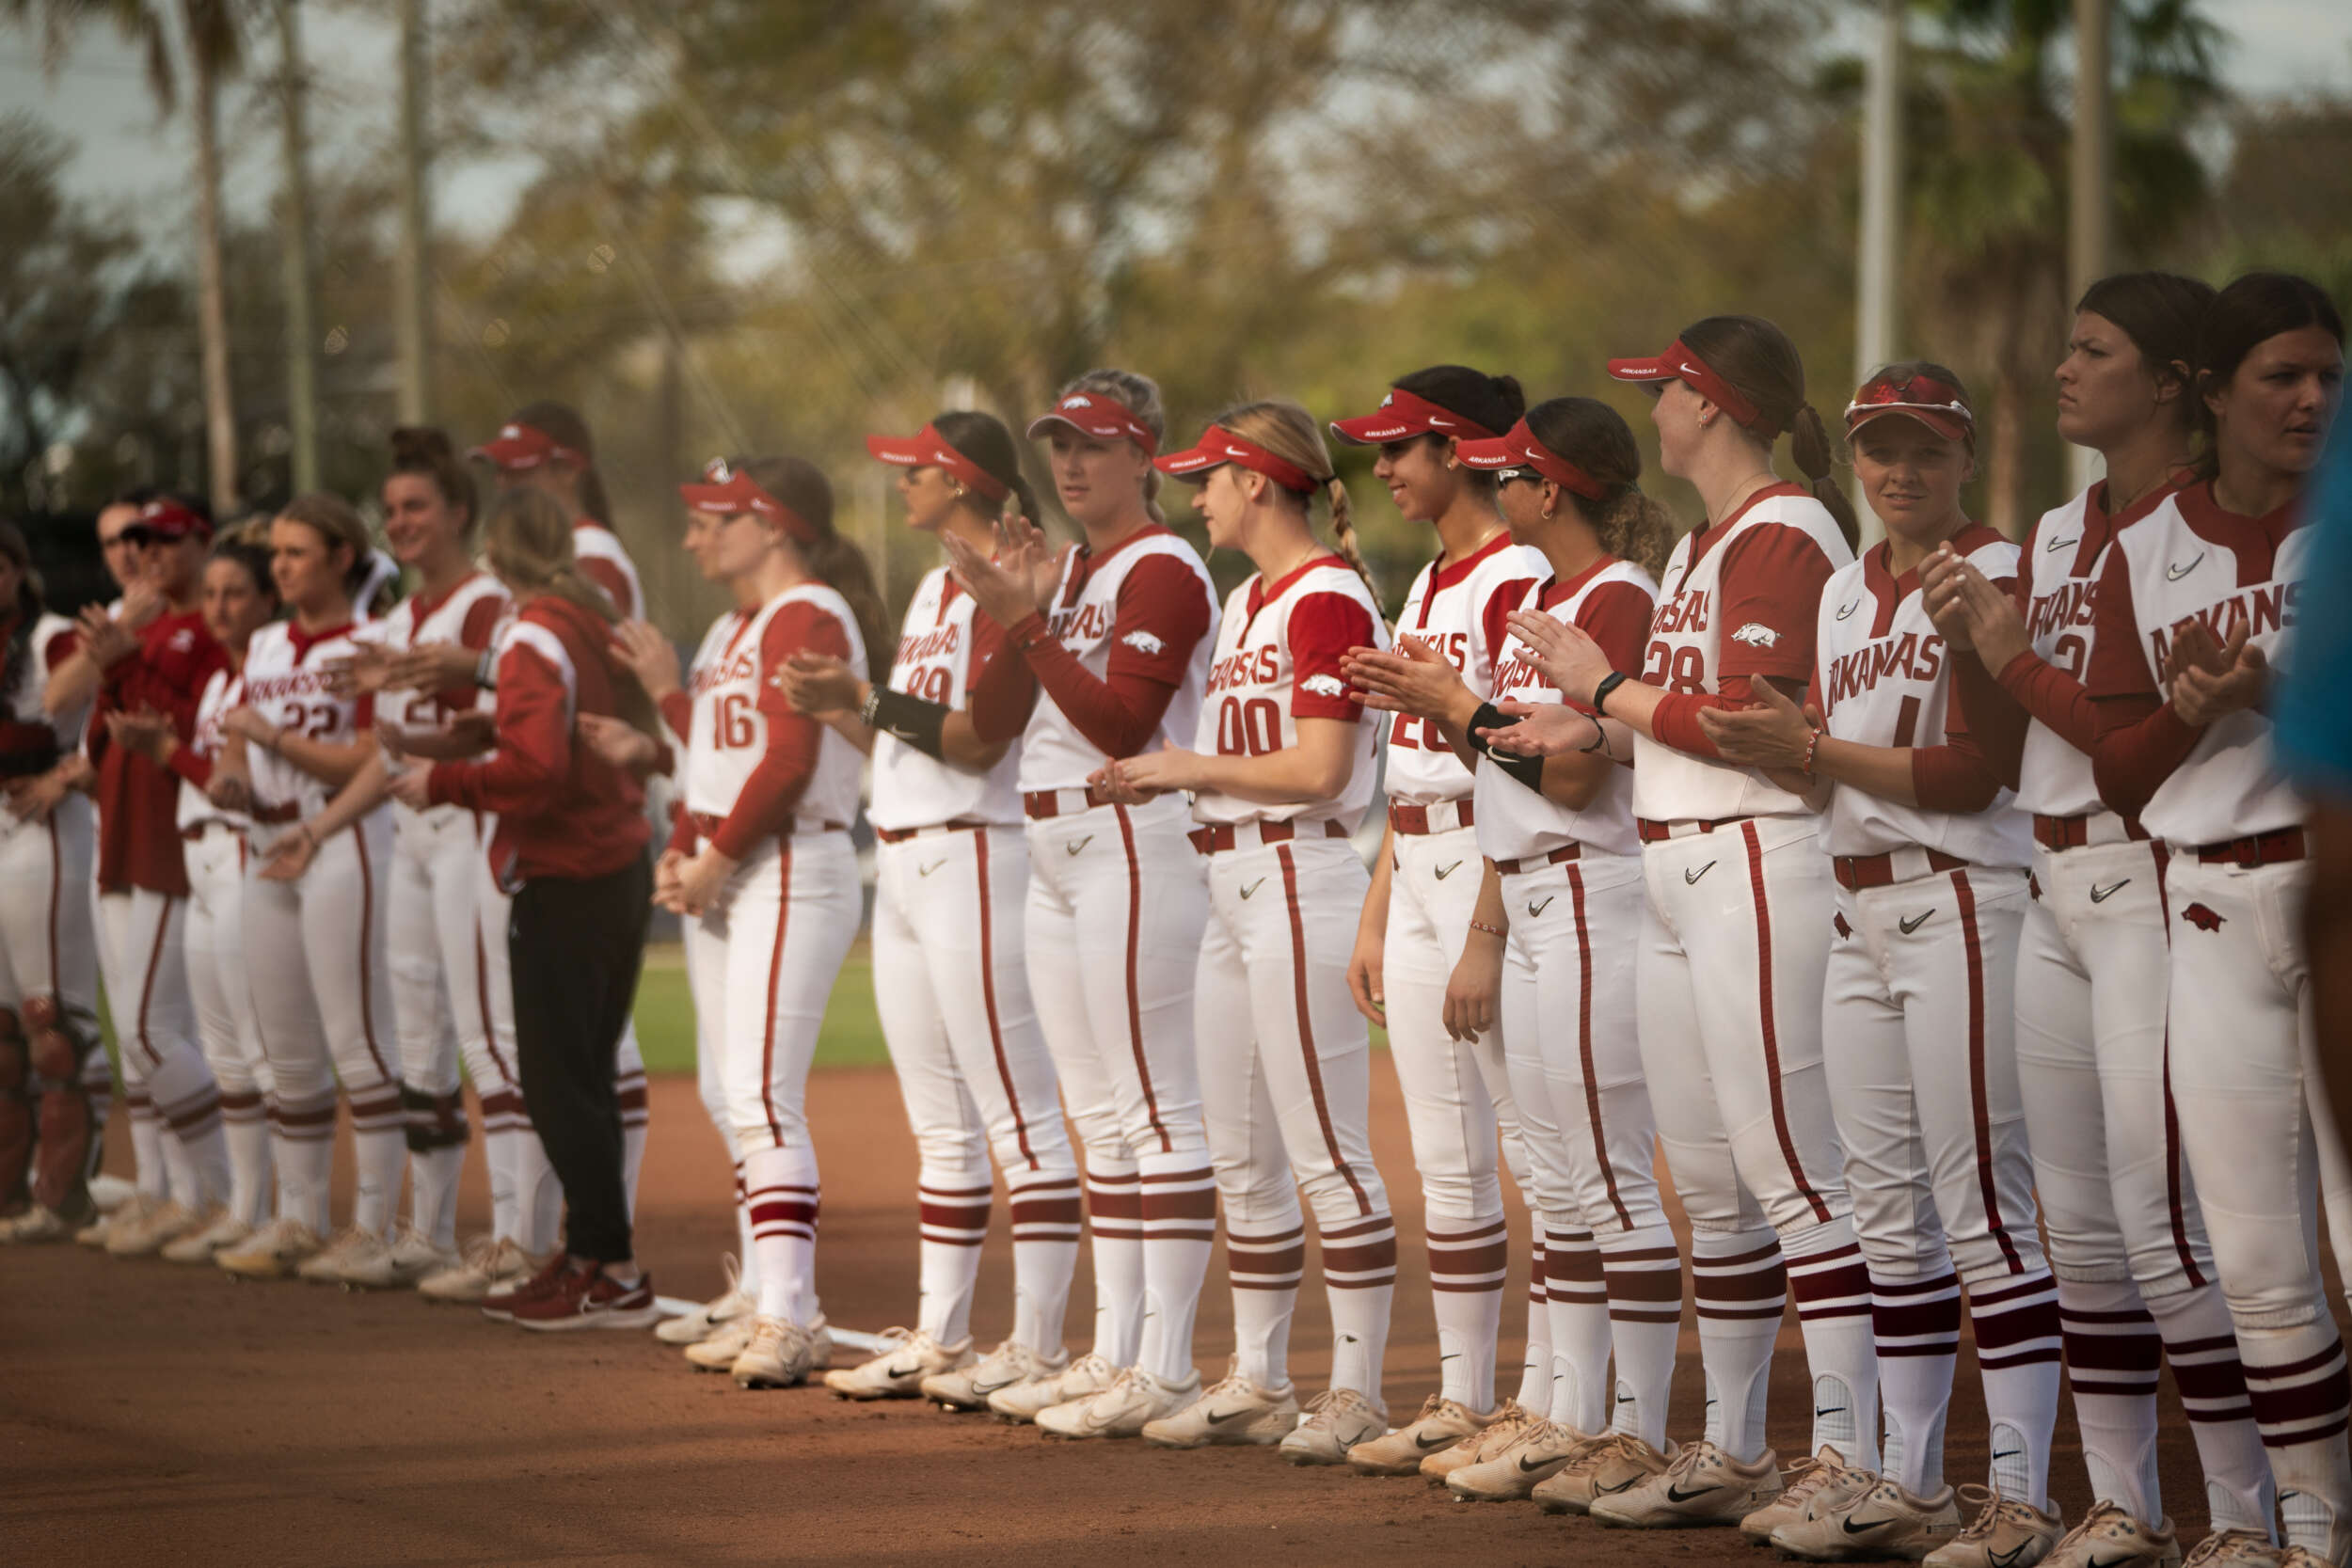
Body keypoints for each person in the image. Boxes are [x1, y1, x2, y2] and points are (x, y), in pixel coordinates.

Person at [1942, 272, 2348, 1567]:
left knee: (2250, 1231)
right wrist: (2184, 703)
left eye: (2328, 374)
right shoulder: (2109, 544)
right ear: (2219, 390)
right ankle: (2290, 1527)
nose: (2312, 396)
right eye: (2283, 373)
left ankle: (2251, 1512)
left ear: (2173, 382)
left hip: (2294, 886)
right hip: (2189, 889)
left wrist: (2276, 687)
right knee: (2227, 1247)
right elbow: (2118, 757)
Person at [1486, 314, 1872, 1534]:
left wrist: (1602, 688)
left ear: (1711, 403)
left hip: (1761, 857)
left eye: (1667, 390)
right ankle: (1743, 1442)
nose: (1656, 409)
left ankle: (1858, 1452)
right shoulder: (1711, 543)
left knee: (1797, 1174)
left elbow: (1751, 722)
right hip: (1679, 863)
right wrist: (1592, 727)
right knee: (1712, 1177)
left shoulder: (1786, 530)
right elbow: (1674, 718)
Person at [1695, 365, 2063, 1564]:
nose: (1899, 469)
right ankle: (1909, 1480)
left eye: (1922, 448)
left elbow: (1972, 775)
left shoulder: (1993, 570)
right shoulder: (1850, 594)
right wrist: (1789, 752)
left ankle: (2018, 1490)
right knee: (1891, 1221)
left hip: (1962, 899)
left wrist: (1812, 746)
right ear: (1850, 456)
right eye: (1877, 448)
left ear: (1963, 454)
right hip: (1860, 910)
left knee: (1985, 1213)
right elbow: (1826, 770)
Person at [1344, 396, 1682, 1505]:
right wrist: (1452, 712)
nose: (1500, 488)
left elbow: (1580, 774)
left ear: (1554, 487)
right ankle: (1567, 1410)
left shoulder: (1619, 594)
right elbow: (1510, 766)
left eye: (1514, 473)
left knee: (1606, 1174)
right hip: (1531, 888)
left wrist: (1457, 706)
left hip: (1592, 889)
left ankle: (1626, 1424)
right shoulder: (1542, 595)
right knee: (1565, 1173)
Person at [1083, 401, 1399, 1459]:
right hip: (1230, 883)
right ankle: (1258, 1375)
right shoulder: (1249, 597)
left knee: (1325, 1150)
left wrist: (1186, 765)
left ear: (1257, 481)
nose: (1196, 493)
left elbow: (1322, 770)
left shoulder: (1328, 595)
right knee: (1241, 1156)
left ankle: (1355, 1387)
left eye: (1208, 476)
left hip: (1299, 878)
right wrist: (1163, 776)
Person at [933, 368, 1222, 1437]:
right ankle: (1114, 1350)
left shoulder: (1163, 565)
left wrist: (1033, 619)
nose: (1069, 461)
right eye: (1058, 442)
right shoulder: (1071, 566)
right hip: (1051, 842)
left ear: (1145, 453)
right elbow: (1000, 718)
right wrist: (1014, 610)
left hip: (1130, 835)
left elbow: (1121, 729)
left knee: (1155, 1109)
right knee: (1099, 1115)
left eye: (1094, 443)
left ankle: (1167, 1361)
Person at [779, 413, 1088, 1408]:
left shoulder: (1012, 578)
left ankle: (1036, 1341)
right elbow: (908, 745)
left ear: (958, 480)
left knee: (1019, 1111)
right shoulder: (927, 584)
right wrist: (843, 707)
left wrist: (860, 695)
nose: (899, 482)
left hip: (978, 852)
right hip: (907, 853)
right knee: (942, 1125)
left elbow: (975, 741)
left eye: (914, 469)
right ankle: (943, 1335)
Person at [1324, 364, 1554, 1473]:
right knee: (1445, 1153)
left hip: (1486, 856)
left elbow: (1522, 760)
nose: (1380, 469)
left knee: (1531, 1139)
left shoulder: (1518, 572)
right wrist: (1379, 902)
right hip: (1415, 852)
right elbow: (1404, 762)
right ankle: (1468, 1396)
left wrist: (1485, 923)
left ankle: (1552, 1396)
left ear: (1458, 451)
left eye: (1397, 449)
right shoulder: (1428, 581)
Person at [618, 455, 880, 1374]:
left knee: (763, 1094)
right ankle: (762, 1289)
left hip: (786, 862)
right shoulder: (735, 626)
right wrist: (687, 847)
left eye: (713, 518)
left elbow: (790, 761)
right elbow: (717, 762)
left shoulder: (809, 613)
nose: (694, 535)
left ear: (770, 522)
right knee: (736, 1098)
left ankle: (792, 1310)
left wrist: (714, 857)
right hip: (732, 865)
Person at [394, 485, 660, 1329]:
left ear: (494, 556)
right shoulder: (587, 616)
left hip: (567, 870)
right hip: (616, 860)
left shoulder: (534, 629)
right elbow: (566, 734)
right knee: (578, 1077)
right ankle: (594, 1256)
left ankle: (607, 1262)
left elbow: (538, 770)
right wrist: (478, 741)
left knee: (556, 1082)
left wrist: (442, 778)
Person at [206, 495, 401, 1282]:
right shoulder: (264, 645)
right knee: (286, 1049)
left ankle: (379, 1224)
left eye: (296, 552)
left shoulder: (373, 640)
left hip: (345, 836)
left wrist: (274, 739)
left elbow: (369, 760)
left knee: (358, 1042)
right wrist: (231, 780)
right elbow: (237, 748)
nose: (280, 566)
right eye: (276, 553)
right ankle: (299, 1217)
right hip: (267, 838)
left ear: (341, 557)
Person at [470, 401, 652, 1208]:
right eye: (503, 470)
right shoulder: (565, 581)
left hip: (582, 831)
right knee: (565, 1057)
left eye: (526, 467)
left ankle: (597, 1243)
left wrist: (468, 674)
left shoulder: (588, 561)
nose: (511, 482)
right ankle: (585, 1243)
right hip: (588, 827)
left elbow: (577, 696)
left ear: (569, 468)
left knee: (573, 1060)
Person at [102, 531, 280, 1263]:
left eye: (235, 592)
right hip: (200, 853)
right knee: (230, 1054)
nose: (220, 606)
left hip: (244, 854)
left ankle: (264, 1207)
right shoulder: (217, 684)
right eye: (213, 594)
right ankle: (232, 1204)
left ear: (268, 599)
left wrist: (166, 749)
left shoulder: (265, 676)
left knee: (257, 1048)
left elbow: (227, 781)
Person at [79, 494, 233, 1255]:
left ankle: (220, 1194)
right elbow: (115, 719)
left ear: (202, 542)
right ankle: (185, 1190)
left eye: (167, 540)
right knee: (148, 1031)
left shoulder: (209, 628)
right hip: (129, 833)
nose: (152, 552)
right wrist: (116, 663)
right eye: (144, 541)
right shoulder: (153, 625)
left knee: (149, 1027)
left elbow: (188, 723)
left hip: (177, 836)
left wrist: (126, 659)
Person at [0, 520, 103, 1242]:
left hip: (39, 822)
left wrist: (66, 775)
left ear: (18, 569)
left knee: (52, 1025)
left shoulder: (51, 636)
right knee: (3, 1031)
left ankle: (66, 1193)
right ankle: (10, 1188)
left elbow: (64, 705)